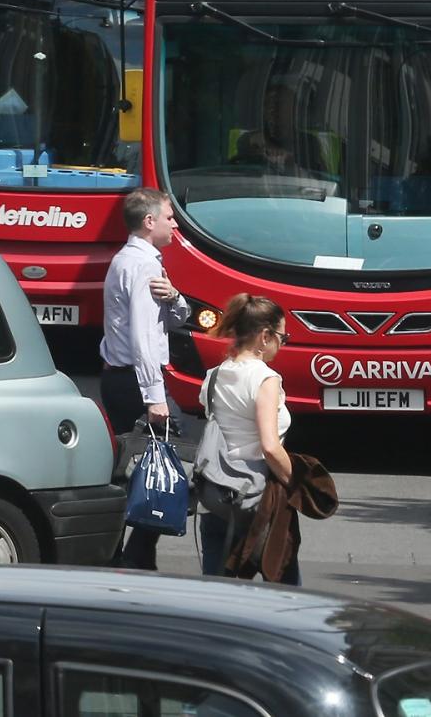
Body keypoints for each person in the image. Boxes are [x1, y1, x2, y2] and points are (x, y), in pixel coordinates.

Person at [96, 187, 191, 571]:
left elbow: (173, 318)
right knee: (170, 462)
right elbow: (144, 336)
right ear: (150, 222)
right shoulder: (145, 265)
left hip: (118, 379)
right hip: (136, 381)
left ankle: (120, 552)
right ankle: (135, 552)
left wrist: (176, 298)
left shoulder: (128, 259)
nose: (175, 224)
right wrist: (155, 396)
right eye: (170, 217)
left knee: (127, 469)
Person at [191, 294, 296, 582]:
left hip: (214, 495)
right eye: (282, 337)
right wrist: (296, 483)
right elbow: (270, 447)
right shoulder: (265, 379)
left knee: (216, 589)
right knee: (286, 588)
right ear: (264, 336)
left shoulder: (213, 375)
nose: (281, 344)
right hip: (254, 500)